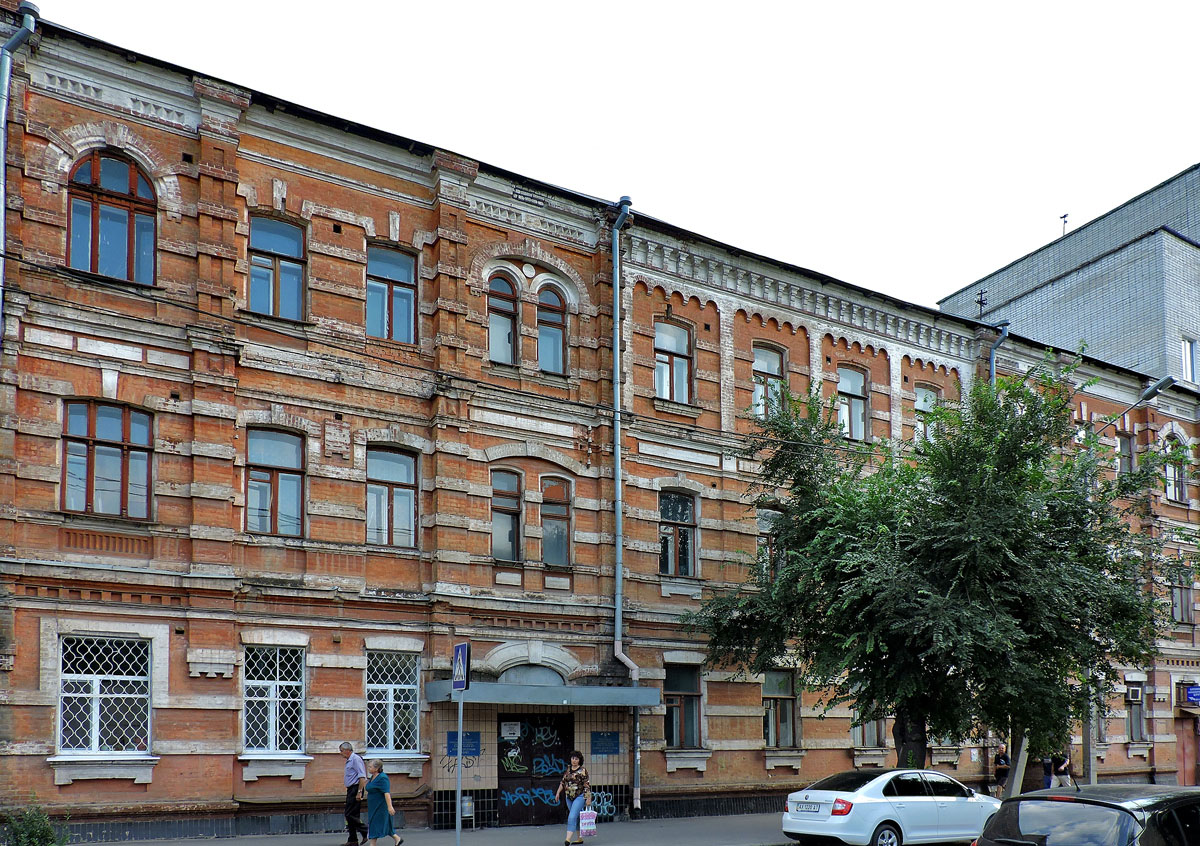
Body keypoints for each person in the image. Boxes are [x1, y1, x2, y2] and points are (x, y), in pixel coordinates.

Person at [553, 749, 592, 846]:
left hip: (579, 796)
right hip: (569, 797)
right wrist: (558, 792)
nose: (574, 760)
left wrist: (588, 798)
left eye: (576, 759)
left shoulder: (583, 771)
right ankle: (579, 838)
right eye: (573, 758)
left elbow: (586, 785)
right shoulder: (568, 769)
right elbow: (563, 782)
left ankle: (567, 839)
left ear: (579, 760)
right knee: (577, 817)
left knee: (572, 816)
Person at [364, 759, 402, 846]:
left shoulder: (382, 778)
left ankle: (372, 844)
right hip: (373, 805)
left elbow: (386, 793)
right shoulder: (373, 777)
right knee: (382, 823)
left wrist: (390, 806)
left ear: (376, 768)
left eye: (370, 767)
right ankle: (397, 838)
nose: (368, 768)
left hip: (380, 806)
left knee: (374, 823)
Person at [340, 742, 369, 846]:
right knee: (353, 815)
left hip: (356, 789)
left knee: (349, 814)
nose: (340, 753)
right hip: (351, 789)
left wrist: (359, 792)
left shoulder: (356, 759)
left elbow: (362, 777)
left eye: (341, 751)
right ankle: (353, 840)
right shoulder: (349, 760)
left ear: (347, 750)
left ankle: (366, 831)